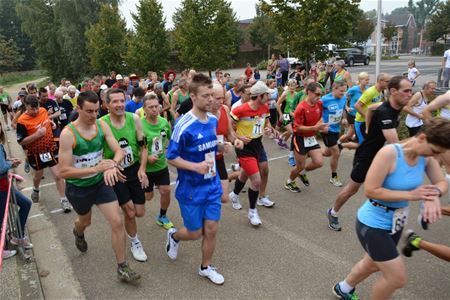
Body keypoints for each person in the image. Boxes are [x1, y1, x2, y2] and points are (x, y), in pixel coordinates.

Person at [333, 117, 448, 300]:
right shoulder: (389, 154)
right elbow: (371, 190)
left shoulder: (425, 157)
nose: (435, 157)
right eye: (434, 151)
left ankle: (344, 288)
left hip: (396, 222)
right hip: (372, 223)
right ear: (422, 138)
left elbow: (441, 182)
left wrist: (434, 194)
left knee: (372, 263)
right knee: (396, 278)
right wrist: (412, 195)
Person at [58, 91, 140, 282]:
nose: (94, 115)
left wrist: (112, 164)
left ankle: (122, 267)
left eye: (96, 110)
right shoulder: (68, 134)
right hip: (78, 188)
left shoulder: (102, 125)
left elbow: (119, 151)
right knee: (85, 222)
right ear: (78, 108)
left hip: (100, 183)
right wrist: (96, 168)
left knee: (117, 221)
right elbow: (64, 171)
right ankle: (78, 231)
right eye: (89, 111)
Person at [327, 76, 412, 231]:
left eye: (411, 91)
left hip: (381, 156)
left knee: (387, 186)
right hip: (366, 156)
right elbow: (396, 146)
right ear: (393, 91)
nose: (410, 94)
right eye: (406, 91)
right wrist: (420, 139)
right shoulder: (386, 113)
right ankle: (333, 212)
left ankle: (382, 218)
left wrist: (367, 128)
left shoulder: (389, 106)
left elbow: (372, 108)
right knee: (352, 189)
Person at [165, 73, 228, 285]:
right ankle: (174, 236)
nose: (211, 100)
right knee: (194, 232)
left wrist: (223, 146)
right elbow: (171, 157)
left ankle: (205, 267)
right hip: (190, 189)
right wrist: (195, 167)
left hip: (211, 185)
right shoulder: (183, 125)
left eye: (212, 95)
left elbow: (210, 144)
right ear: (193, 97)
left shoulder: (213, 119)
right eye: (206, 96)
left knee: (211, 229)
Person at [101, 88, 150, 262]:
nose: (120, 104)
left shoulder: (135, 119)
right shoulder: (102, 123)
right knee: (129, 212)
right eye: (114, 101)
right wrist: (109, 167)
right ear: (107, 104)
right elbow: (98, 151)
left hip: (134, 168)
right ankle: (135, 242)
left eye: (122, 100)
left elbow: (143, 146)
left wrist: (142, 169)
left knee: (139, 212)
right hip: (116, 172)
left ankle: (127, 221)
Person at [229, 81, 277, 225]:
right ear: (260, 96)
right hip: (244, 147)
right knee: (256, 180)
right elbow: (229, 129)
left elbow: (266, 123)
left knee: (261, 170)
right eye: (267, 94)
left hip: (258, 144)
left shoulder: (265, 107)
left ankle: (234, 194)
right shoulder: (240, 110)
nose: (269, 96)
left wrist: (269, 129)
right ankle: (252, 212)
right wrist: (238, 137)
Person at [16, 95, 70, 212]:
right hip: (35, 153)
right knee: (38, 175)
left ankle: (63, 200)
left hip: (50, 149)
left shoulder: (43, 111)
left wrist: (51, 124)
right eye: (32, 109)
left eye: (37, 108)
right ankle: (35, 189)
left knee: (58, 175)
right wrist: (37, 135)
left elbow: (46, 121)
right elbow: (21, 141)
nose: (35, 111)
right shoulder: (22, 121)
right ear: (26, 106)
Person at [284, 82, 326, 193]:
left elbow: (320, 118)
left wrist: (321, 126)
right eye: (317, 94)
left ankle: (302, 173)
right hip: (299, 138)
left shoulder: (319, 104)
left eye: (320, 94)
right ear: (309, 92)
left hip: (310, 137)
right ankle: (289, 182)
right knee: (300, 166)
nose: (319, 97)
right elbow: (297, 128)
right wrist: (315, 128)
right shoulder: (301, 108)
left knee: (319, 162)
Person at [141, 94, 174, 229]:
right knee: (148, 197)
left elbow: (171, 140)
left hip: (161, 165)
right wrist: (147, 157)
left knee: (166, 190)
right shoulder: (140, 125)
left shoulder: (164, 122)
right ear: (144, 109)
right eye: (151, 107)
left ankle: (162, 216)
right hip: (146, 168)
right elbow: (134, 146)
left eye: (156, 106)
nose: (154, 109)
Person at [0, 122, 33, 250]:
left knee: (25, 203)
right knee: (2, 219)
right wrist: (11, 165)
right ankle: (3, 250)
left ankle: (18, 236)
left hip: (6, 185)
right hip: (2, 187)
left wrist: (9, 162)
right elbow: (1, 168)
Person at [211, 83, 243, 204]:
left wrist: (236, 141)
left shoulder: (224, 109)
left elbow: (229, 133)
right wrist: (219, 145)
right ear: (209, 97)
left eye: (222, 97)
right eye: (217, 98)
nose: (221, 101)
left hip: (219, 159)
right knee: (209, 198)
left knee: (224, 198)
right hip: (205, 161)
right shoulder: (203, 114)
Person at [320, 80, 347, 187]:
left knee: (328, 153)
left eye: (344, 91)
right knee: (336, 152)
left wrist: (344, 119)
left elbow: (343, 109)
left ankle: (310, 153)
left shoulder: (343, 98)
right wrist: (321, 125)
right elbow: (317, 112)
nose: (343, 94)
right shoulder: (324, 100)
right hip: (327, 130)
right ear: (334, 88)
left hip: (336, 129)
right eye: (341, 91)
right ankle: (334, 176)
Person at [354, 73, 390, 144]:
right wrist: (367, 116)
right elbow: (357, 105)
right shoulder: (370, 92)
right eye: (387, 82)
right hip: (361, 122)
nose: (389, 84)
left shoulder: (380, 91)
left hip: (370, 123)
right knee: (363, 146)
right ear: (380, 81)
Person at [339, 72, 370, 150]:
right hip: (353, 114)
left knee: (353, 134)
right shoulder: (354, 89)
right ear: (360, 80)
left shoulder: (368, 89)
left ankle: (347, 144)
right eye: (366, 80)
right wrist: (347, 107)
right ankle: (338, 143)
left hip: (362, 115)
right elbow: (343, 97)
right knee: (350, 134)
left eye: (368, 80)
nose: (368, 81)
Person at [276, 79, 297, 149]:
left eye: (294, 86)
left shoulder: (297, 94)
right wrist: (280, 114)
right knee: (291, 131)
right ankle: (281, 139)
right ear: (288, 86)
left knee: (291, 131)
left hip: (292, 115)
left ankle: (282, 140)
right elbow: (278, 104)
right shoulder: (285, 94)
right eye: (291, 86)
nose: (292, 88)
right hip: (286, 114)